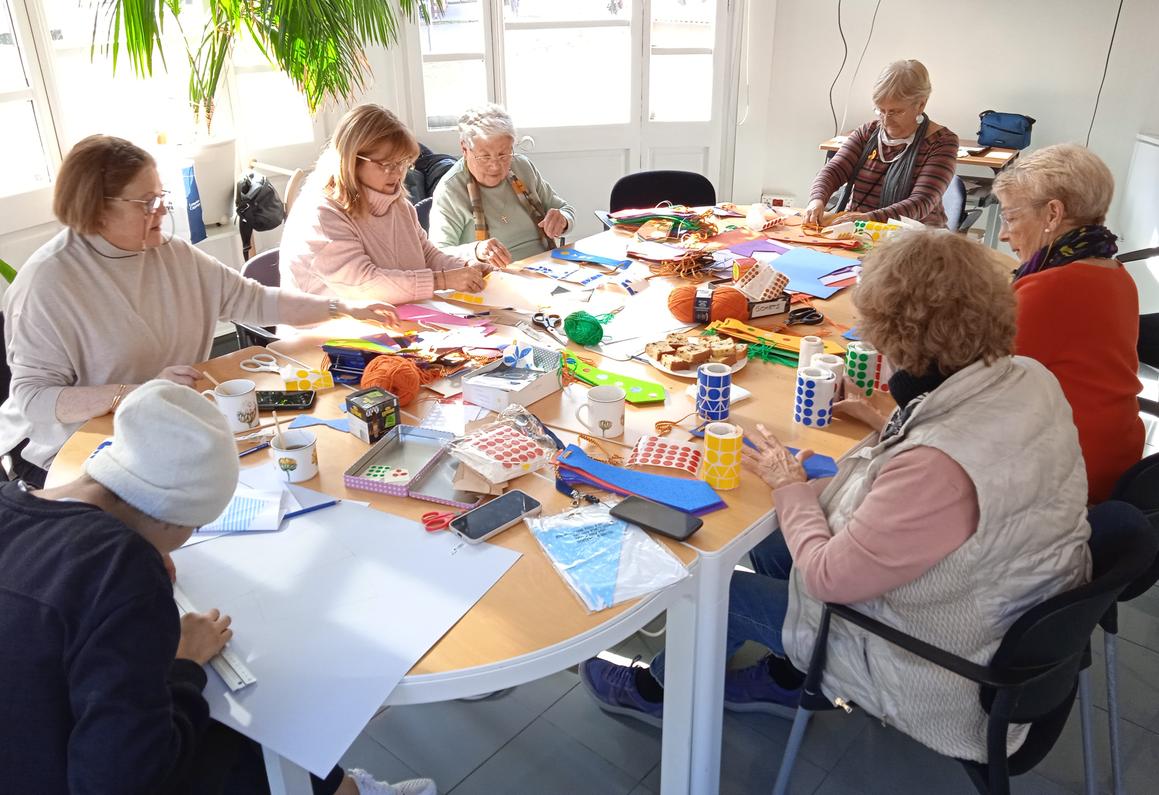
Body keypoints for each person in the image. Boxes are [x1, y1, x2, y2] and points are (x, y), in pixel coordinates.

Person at [580, 229, 1092, 763]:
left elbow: (827, 575)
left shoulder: (937, 468)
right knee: (779, 536)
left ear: (901, 338)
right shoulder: (1028, 377)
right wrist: (886, 417)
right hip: (1005, 604)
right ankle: (785, 675)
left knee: (721, 593)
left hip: (947, 667)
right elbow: (961, 452)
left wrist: (789, 486)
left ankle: (653, 692)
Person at [0, 379, 435, 795]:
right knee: (254, 724)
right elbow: (123, 779)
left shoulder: (12, 502)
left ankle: (341, 788)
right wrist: (182, 665)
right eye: (194, 526)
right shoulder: (121, 573)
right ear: (170, 514)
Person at [0, 135, 397, 488]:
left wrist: (338, 306)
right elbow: (35, 398)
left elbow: (257, 300)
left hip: (160, 426)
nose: (162, 210)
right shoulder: (48, 283)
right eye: (147, 202)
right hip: (67, 452)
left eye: (162, 196)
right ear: (97, 209)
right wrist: (135, 395)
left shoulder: (172, 255)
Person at [995, 143, 1144, 503]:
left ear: (1052, 214)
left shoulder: (1050, 288)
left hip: (1065, 474)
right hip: (1116, 458)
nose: (1003, 234)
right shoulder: (1115, 272)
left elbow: (966, 384)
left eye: (1012, 218)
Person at [280, 104, 488, 303]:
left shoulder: (398, 205)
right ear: (351, 161)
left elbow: (427, 255)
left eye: (403, 163)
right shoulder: (319, 214)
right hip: (324, 331)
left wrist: (467, 268)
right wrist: (443, 280)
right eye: (387, 165)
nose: (398, 173)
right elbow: (364, 284)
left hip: (389, 322)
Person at [803, 60, 959, 228]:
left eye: (896, 111)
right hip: (858, 229)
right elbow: (834, 170)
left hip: (915, 239)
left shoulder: (942, 142)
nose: (886, 120)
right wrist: (817, 200)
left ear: (921, 104)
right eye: (880, 110)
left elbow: (921, 201)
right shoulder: (868, 132)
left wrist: (870, 219)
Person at [428, 104, 575, 267]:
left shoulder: (522, 167)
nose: (495, 165)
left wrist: (562, 219)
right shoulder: (451, 190)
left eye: (503, 155)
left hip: (545, 264)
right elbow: (436, 255)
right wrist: (477, 251)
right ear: (464, 148)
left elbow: (566, 210)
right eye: (484, 157)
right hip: (494, 276)